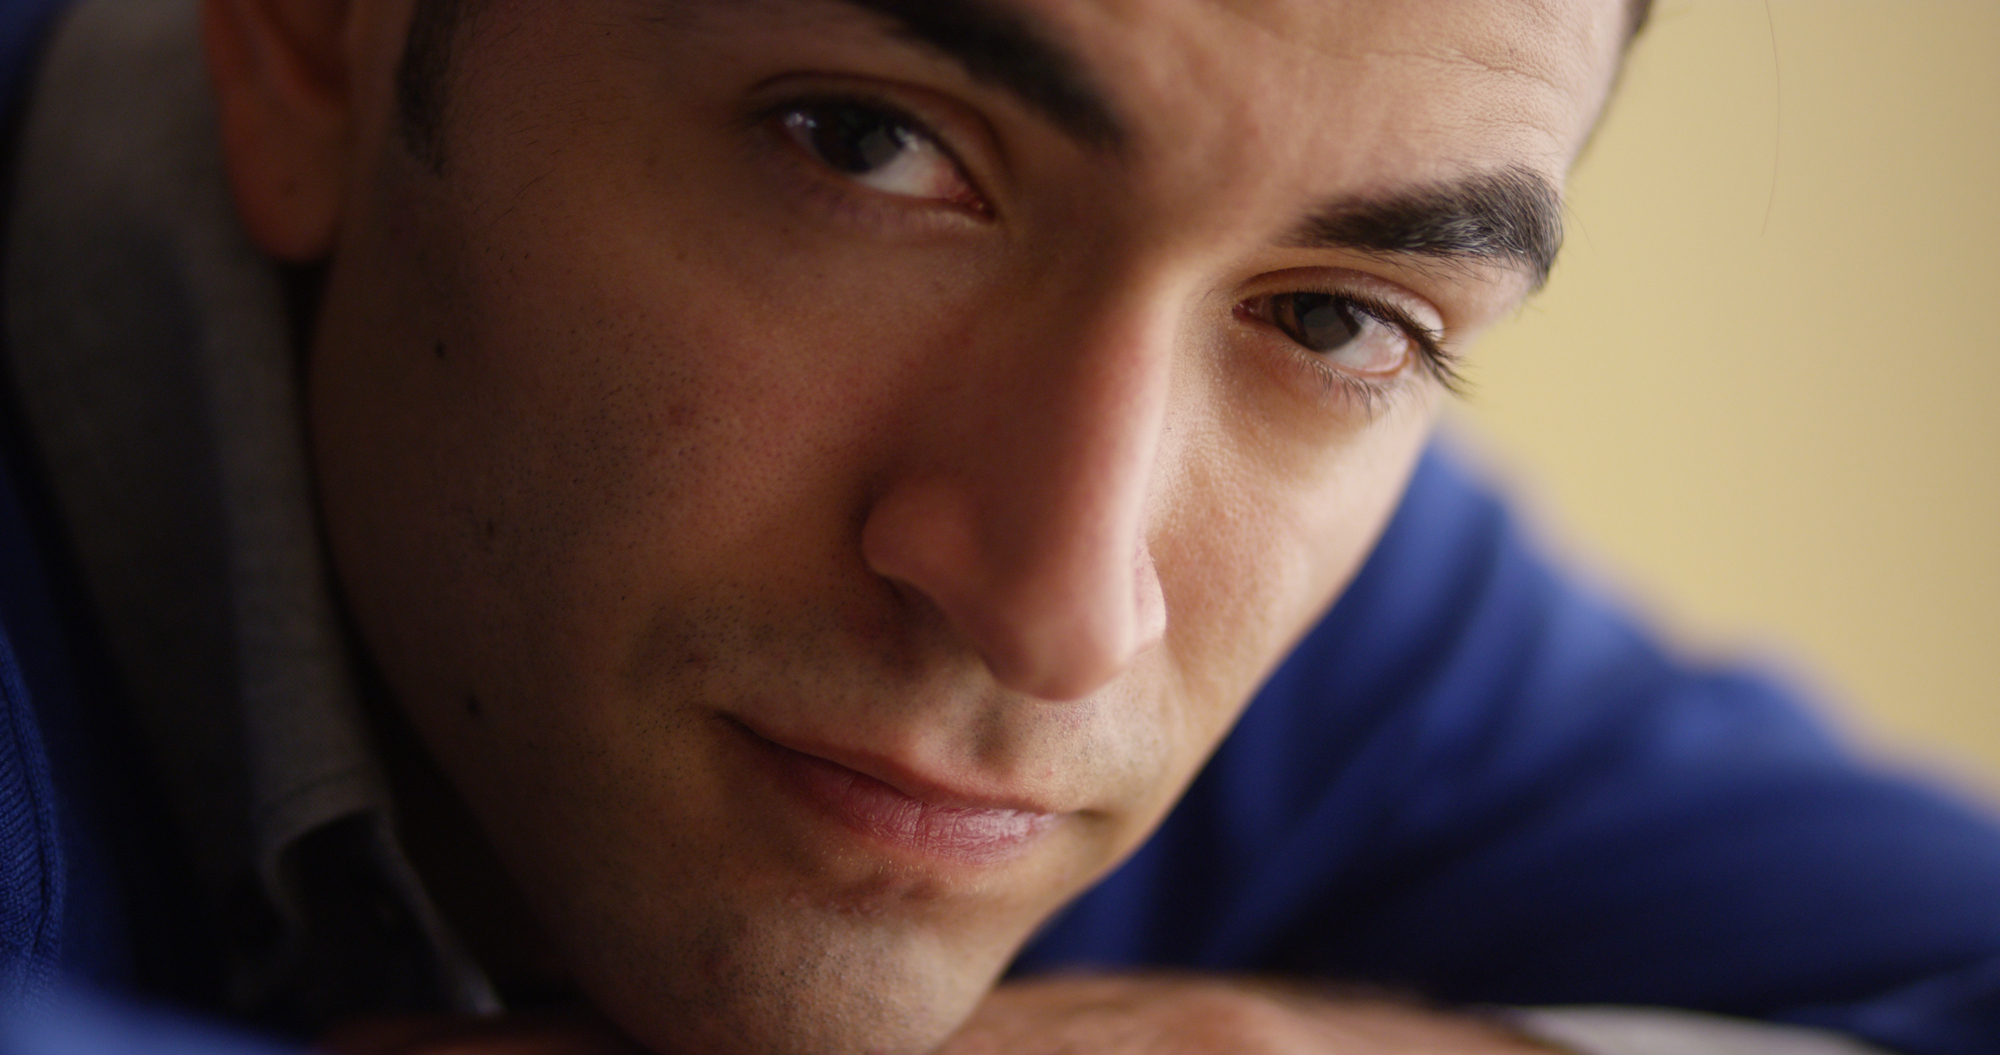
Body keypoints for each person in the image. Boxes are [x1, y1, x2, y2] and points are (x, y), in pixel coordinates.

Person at [0, 0, 1996, 1053]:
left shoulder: (1354, 628)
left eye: (1331, 315)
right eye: (868, 146)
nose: (1062, 612)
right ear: (315, 33)